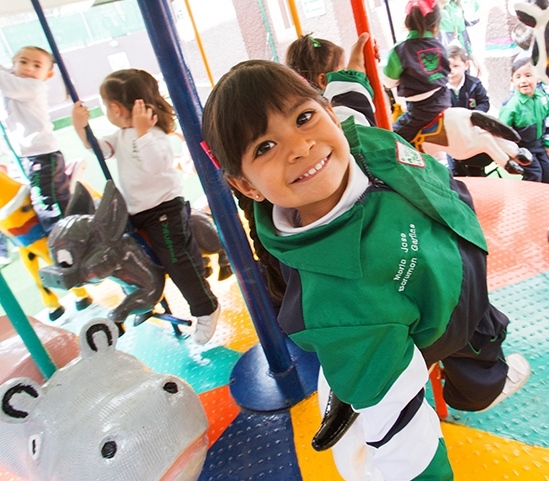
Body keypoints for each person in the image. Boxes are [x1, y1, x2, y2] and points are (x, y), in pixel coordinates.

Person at [202, 33, 530, 481]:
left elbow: (350, 104)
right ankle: (458, 391)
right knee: (473, 355)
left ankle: (352, 390)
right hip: (445, 313)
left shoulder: (353, 140)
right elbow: (405, 444)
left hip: (455, 250)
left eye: (303, 117)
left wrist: (351, 72)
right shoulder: (341, 304)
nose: (299, 146)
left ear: (326, 112)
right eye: (265, 147)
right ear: (246, 186)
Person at [72, 69, 220, 342]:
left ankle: (206, 307)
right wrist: (82, 129)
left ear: (116, 108)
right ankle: (142, 297)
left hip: (163, 210)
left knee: (177, 261)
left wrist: (142, 134)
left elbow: (156, 166)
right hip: (136, 212)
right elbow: (100, 150)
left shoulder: (154, 134)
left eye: (105, 105)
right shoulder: (122, 135)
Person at [0, 46, 71, 234]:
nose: (29, 68)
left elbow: (3, 80)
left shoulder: (32, 87)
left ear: (48, 74)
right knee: (31, 197)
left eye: (37, 65)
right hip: (25, 155)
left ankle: (62, 236)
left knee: (47, 200)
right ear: (13, 64)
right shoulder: (15, 80)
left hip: (41, 155)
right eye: (23, 62)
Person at [382, 0, 451, 144]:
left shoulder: (400, 50)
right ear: (436, 26)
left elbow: (388, 82)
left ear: (407, 23)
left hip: (421, 110)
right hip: (445, 99)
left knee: (391, 139)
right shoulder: (440, 46)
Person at [499, 57, 549, 183]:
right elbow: (501, 131)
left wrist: (548, 145)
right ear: (512, 81)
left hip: (540, 144)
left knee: (548, 172)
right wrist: (509, 152)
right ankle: (529, 195)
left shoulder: (542, 98)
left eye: (528, 75)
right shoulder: (512, 105)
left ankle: (543, 195)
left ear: (538, 78)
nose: (523, 81)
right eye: (518, 77)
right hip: (522, 148)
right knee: (535, 174)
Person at [446, 44, 491, 176]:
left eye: (456, 66)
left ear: (466, 65)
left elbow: (484, 102)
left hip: (472, 132)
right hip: (452, 136)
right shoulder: (440, 88)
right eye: (447, 66)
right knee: (456, 171)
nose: (451, 71)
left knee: (476, 168)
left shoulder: (474, 84)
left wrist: (473, 116)